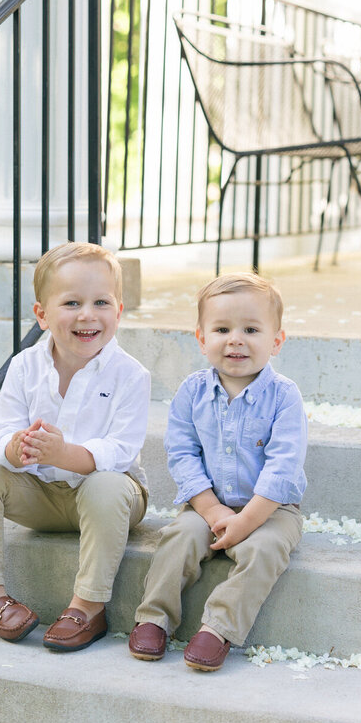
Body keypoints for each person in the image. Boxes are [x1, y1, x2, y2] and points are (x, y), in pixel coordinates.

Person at [0, 241, 150, 652]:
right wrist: (16, 448)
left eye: (101, 302)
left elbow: (120, 450)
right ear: (42, 315)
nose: (87, 314)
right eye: (72, 303)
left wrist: (66, 454)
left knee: (108, 484)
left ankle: (88, 605)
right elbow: (2, 432)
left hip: (109, 500)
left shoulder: (130, 375)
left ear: (117, 312)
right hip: (42, 496)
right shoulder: (25, 366)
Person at [129, 272, 305, 671]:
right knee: (178, 538)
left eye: (251, 329)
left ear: (276, 340)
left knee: (264, 550)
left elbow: (283, 467)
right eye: (222, 329)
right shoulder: (192, 392)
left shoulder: (284, 397)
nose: (235, 339)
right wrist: (210, 511)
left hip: (273, 510)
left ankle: (218, 628)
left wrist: (245, 523)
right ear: (201, 338)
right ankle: (154, 616)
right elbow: (182, 453)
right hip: (207, 506)